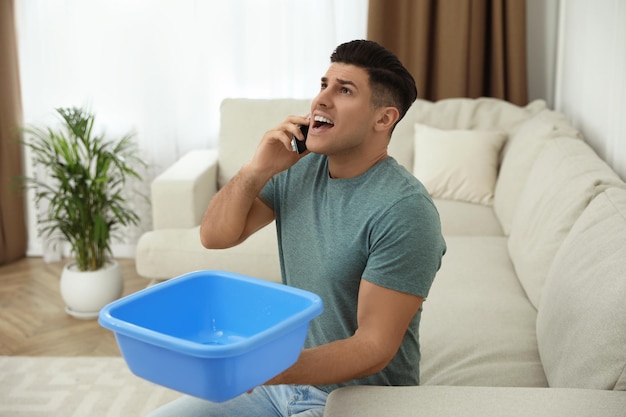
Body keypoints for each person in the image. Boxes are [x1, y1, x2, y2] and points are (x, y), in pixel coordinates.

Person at [147, 39, 446, 417]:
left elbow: (373, 346)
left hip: (357, 400)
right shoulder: (300, 168)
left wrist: (263, 367)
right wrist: (256, 169)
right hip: (285, 385)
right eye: (324, 85)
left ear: (383, 119)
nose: (321, 100)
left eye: (345, 90)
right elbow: (215, 237)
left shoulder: (405, 211)